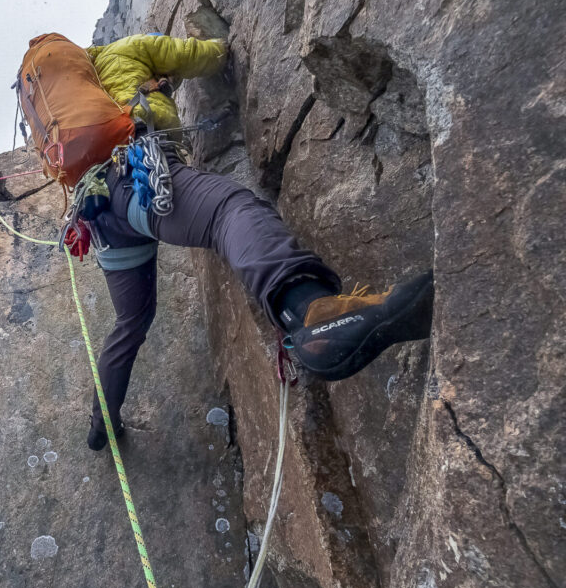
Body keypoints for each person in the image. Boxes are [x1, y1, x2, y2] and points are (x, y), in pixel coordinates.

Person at [80, 33, 434, 450]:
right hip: (142, 175)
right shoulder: (129, 49)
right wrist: (222, 44)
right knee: (228, 210)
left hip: (101, 215)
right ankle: (312, 313)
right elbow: (204, 56)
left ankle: (102, 422)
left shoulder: (75, 100)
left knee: (130, 322)